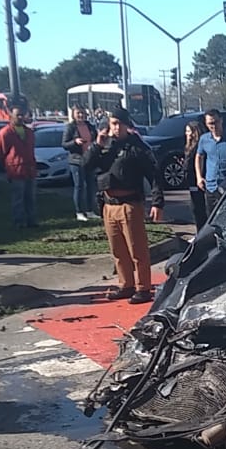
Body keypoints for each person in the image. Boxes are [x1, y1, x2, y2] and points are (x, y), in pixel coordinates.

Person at [85, 107, 166, 304]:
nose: (115, 128)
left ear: (127, 125)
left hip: (129, 204)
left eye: (118, 124)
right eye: (112, 123)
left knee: (136, 249)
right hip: (109, 204)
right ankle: (126, 284)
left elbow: (154, 175)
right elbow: (85, 166)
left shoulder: (136, 147)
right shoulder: (106, 146)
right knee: (118, 250)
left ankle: (143, 288)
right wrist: (97, 145)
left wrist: (157, 202)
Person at [0, 106, 37, 228]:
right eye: (17, 115)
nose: (20, 117)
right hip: (16, 170)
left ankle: (31, 220)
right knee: (18, 198)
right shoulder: (5, 132)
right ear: (11, 115)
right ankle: (18, 221)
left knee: (30, 197)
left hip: (30, 169)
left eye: (22, 115)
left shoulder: (29, 132)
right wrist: (6, 166)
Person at [195, 108, 226, 228]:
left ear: (221, 120)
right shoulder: (204, 139)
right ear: (206, 124)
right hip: (210, 186)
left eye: (216, 122)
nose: (214, 125)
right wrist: (199, 177)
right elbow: (199, 156)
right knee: (212, 221)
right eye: (210, 123)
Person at [62, 106, 99, 221]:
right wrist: (75, 142)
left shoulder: (90, 126)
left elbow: (97, 140)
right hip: (76, 161)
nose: (81, 115)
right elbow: (64, 144)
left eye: (83, 113)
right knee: (79, 186)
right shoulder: (70, 127)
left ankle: (90, 210)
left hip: (90, 159)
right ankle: (79, 212)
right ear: (73, 114)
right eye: (78, 113)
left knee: (91, 186)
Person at [182, 119, 204, 226]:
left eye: (188, 131)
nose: (186, 134)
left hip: (197, 180)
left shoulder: (198, 146)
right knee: (195, 207)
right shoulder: (188, 146)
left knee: (199, 208)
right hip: (190, 181)